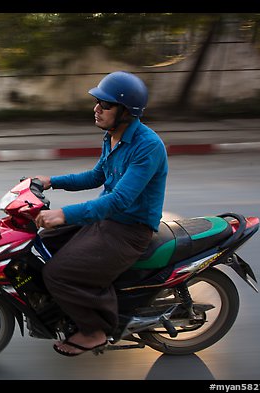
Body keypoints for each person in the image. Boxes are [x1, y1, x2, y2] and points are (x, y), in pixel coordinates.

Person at [33, 70, 168, 357]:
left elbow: (119, 200)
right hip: (107, 219)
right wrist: (51, 181)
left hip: (129, 230)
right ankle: (63, 310)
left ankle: (95, 331)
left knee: (59, 273)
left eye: (105, 105)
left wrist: (64, 214)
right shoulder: (112, 136)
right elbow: (96, 177)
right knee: (42, 242)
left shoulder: (148, 147)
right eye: (97, 102)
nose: (97, 109)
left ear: (125, 111)